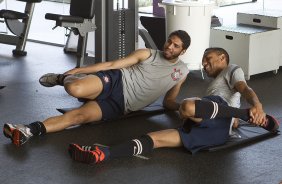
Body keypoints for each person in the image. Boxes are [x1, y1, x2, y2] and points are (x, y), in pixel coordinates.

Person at [67, 47, 279, 164]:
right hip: (211, 132)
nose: (205, 64)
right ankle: (104, 154)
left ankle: (242, 114)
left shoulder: (232, 69)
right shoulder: (211, 87)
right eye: (204, 61)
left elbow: (244, 89)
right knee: (154, 139)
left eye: (209, 59)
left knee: (188, 107)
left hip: (221, 115)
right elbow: (171, 103)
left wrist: (256, 106)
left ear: (223, 57)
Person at [3, 30, 191, 146]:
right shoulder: (147, 54)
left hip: (122, 106)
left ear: (182, 51)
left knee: (78, 117)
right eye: (169, 41)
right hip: (116, 80)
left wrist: (186, 108)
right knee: (75, 88)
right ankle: (63, 78)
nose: (169, 47)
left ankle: (27, 130)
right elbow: (112, 65)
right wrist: (79, 69)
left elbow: (169, 102)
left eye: (175, 46)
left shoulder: (182, 71)